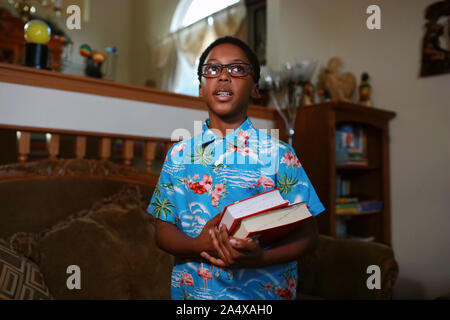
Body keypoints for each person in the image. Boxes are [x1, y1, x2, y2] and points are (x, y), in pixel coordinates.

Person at [147, 36, 325, 300]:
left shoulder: (279, 155)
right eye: (212, 69)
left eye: (237, 69)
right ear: (200, 87)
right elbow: (162, 232)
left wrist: (261, 258)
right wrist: (197, 245)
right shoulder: (179, 155)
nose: (223, 76)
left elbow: (308, 235)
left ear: (255, 88)